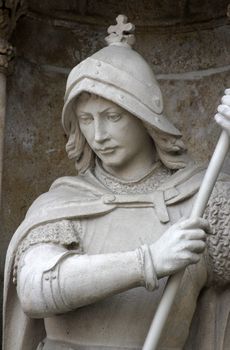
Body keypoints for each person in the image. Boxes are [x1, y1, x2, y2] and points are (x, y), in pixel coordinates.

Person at [3, 15, 230, 350]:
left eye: (113, 117)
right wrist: (149, 261)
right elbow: (36, 289)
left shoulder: (204, 198)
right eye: (86, 120)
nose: (98, 135)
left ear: (143, 118)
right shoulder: (62, 203)